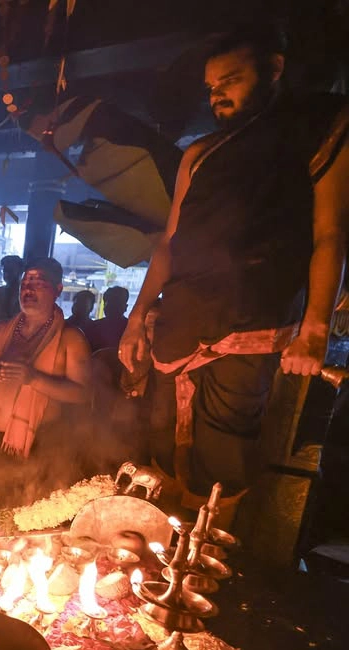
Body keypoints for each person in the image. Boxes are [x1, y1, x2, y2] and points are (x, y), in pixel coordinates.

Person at [118, 25, 349, 503]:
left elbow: (331, 234)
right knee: (160, 447)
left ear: (275, 70)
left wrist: (315, 330)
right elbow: (169, 243)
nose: (217, 94)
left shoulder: (316, 128)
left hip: (248, 330)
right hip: (178, 327)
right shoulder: (200, 154)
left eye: (231, 79)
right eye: (211, 87)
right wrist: (136, 318)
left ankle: (205, 564)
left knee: (225, 463)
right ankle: (160, 558)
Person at [0, 258, 91, 458]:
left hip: (35, 444)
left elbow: (82, 394)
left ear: (58, 289)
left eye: (38, 284)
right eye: (24, 284)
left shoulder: (70, 339)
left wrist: (34, 379)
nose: (28, 290)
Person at [87, 286, 130, 352]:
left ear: (125, 307)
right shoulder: (92, 327)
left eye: (117, 303)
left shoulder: (131, 329)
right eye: (110, 303)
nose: (114, 307)